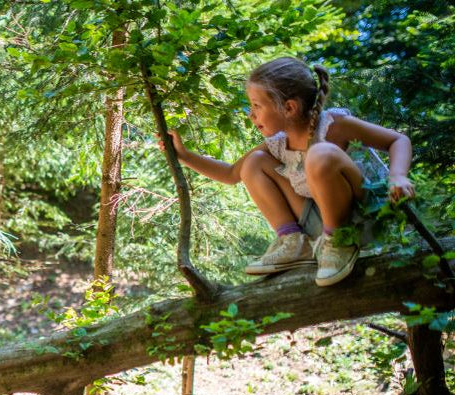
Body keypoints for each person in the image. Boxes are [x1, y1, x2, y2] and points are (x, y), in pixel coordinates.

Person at [165, 56, 414, 286]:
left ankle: (339, 242)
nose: (251, 115)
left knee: (319, 154)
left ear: (289, 108)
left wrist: (398, 176)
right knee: (253, 164)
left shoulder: (335, 126)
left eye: (257, 105)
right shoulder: (278, 144)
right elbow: (232, 174)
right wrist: (183, 155)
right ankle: (295, 243)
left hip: (364, 218)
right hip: (321, 230)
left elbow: (397, 140)